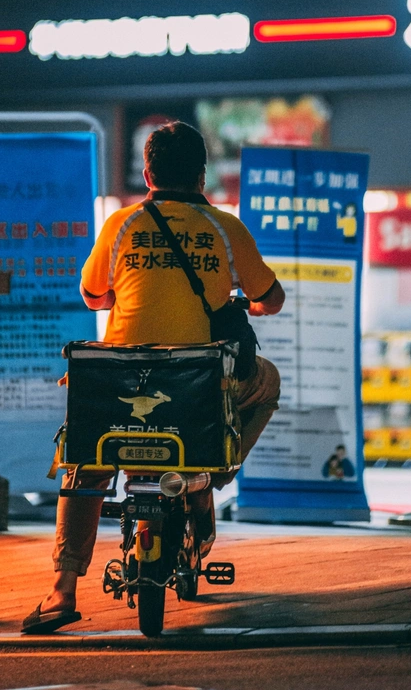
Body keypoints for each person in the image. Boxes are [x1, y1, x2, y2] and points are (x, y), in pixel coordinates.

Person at [22, 121, 285, 633]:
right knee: (267, 384)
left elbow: (93, 295)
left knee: (85, 462)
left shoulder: (121, 225)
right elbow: (270, 298)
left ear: (147, 175)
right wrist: (248, 303)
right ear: (202, 176)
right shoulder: (225, 228)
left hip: (120, 385)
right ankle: (212, 474)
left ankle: (61, 590)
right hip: (197, 387)